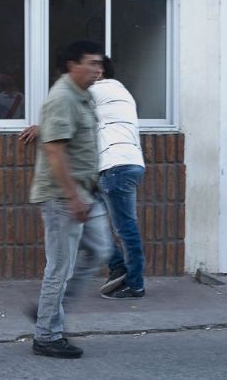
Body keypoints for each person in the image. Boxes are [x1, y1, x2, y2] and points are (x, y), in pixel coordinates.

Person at [29, 40, 111, 359]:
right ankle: (46, 334)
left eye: (100, 64)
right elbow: (54, 151)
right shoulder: (62, 98)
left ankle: (47, 311)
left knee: (100, 250)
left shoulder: (84, 96)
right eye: (91, 63)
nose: (98, 69)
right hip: (63, 197)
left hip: (83, 193)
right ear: (71, 65)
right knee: (60, 266)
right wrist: (73, 196)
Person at [92, 56, 147, 299]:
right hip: (126, 164)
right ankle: (120, 270)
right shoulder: (119, 90)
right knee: (94, 221)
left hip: (117, 166)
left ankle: (133, 283)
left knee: (125, 229)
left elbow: (67, 112)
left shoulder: (99, 89)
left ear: (100, 71)